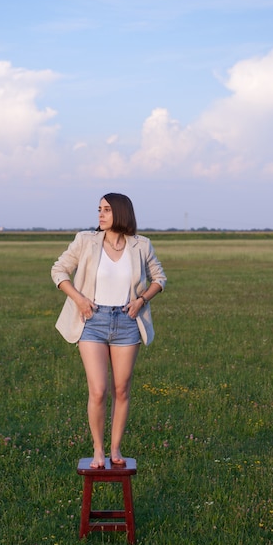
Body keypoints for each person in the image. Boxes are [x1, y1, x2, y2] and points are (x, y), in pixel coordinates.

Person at [51, 193, 167, 468]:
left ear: (121, 213)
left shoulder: (142, 245)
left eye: (106, 210)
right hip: (92, 320)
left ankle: (115, 449)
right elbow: (59, 271)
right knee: (99, 390)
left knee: (122, 389)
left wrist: (141, 300)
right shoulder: (86, 240)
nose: (100, 215)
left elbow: (159, 278)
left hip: (127, 322)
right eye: (99, 210)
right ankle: (98, 449)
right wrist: (79, 299)